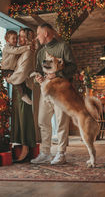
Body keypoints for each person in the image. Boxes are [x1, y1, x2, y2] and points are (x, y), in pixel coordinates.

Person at [31, 23, 77, 165]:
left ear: (46, 33)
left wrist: (56, 73)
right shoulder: (40, 53)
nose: (37, 37)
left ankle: (61, 153)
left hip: (60, 90)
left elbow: (73, 67)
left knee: (61, 121)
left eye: (38, 34)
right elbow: (38, 70)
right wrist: (38, 77)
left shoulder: (63, 47)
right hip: (45, 89)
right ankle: (45, 153)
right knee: (43, 121)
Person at [6, 28, 37, 162]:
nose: (20, 39)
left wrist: (10, 79)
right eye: (19, 36)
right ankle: (20, 147)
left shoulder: (28, 52)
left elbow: (22, 72)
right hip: (17, 87)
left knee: (24, 119)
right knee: (18, 118)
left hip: (23, 87)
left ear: (29, 39)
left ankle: (26, 148)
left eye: (24, 37)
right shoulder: (21, 50)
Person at [1, 30, 32, 105]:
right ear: (7, 40)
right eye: (13, 38)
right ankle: (23, 96)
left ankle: (24, 94)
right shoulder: (7, 48)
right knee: (19, 85)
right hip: (6, 70)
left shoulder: (15, 47)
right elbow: (16, 51)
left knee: (21, 83)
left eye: (16, 38)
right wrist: (27, 47)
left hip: (11, 70)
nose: (16, 40)